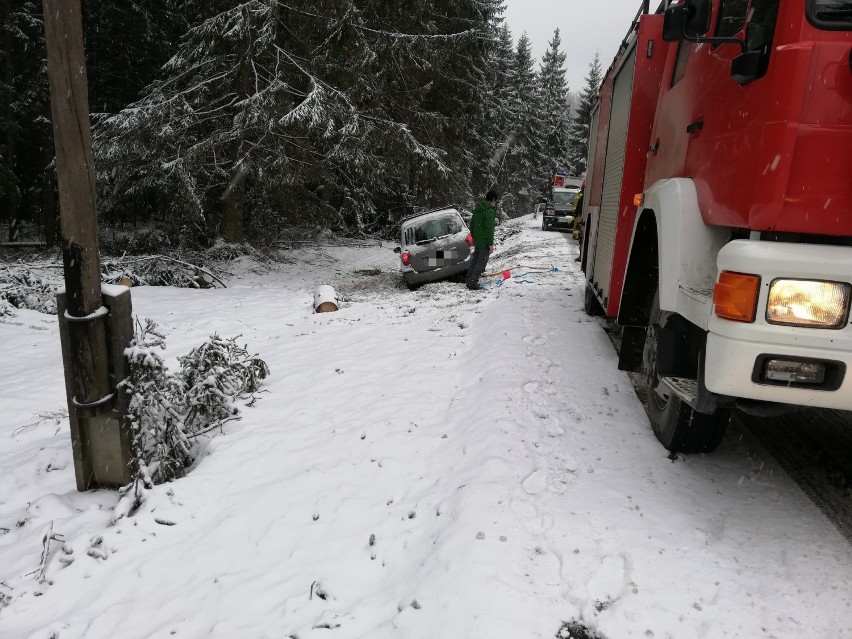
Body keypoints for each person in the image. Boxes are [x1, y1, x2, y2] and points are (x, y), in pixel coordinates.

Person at [466, 190, 497, 290]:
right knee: (481, 262)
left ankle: (469, 280)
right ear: (492, 200)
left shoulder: (478, 209)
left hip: (478, 240)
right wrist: (490, 244)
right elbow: (489, 229)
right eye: (495, 201)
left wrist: (474, 237)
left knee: (475, 261)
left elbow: (472, 224)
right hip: (484, 242)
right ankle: (473, 282)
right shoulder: (489, 211)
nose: (494, 203)